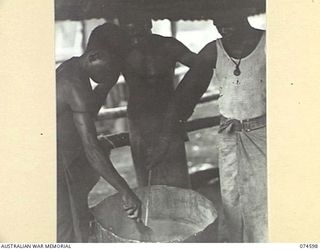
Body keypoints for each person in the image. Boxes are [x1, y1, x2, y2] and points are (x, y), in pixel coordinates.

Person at [56, 23, 141, 243]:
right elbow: (91, 148)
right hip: (54, 166)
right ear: (94, 56)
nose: (114, 73)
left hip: (64, 161)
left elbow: (84, 112)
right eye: (113, 67)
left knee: (77, 223)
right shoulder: (73, 82)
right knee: (65, 231)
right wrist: (126, 191)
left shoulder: (73, 68)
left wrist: (106, 83)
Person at [118, 12, 211, 188]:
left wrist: (185, 104)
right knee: (147, 179)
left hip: (168, 116)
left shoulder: (168, 45)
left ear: (148, 23)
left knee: (176, 180)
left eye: (138, 29)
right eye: (128, 29)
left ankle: (182, 214)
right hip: (139, 121)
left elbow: (203, 68)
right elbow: (102, 80)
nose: (135, 37)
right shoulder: (121, 52)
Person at [199, 12, 267, 242]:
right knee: (231, 197)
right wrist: (169, 126)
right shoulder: (213, 49)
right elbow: (188, 90)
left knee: (263, 196)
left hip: (263, 134)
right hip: (228, 135)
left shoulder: (269, 43)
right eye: (217, 23)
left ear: (242, 15)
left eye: (227, 21)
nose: (222, 29)